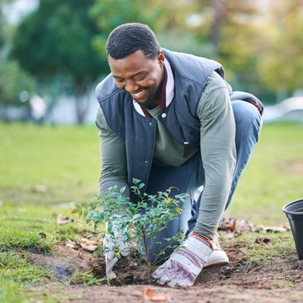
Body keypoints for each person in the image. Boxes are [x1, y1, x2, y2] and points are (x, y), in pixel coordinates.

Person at [95, 22, 263, 288]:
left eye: (139, 76)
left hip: (206, 154)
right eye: (120, 79)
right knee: (161, 251)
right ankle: (182, 233)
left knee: (244, 115)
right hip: (162, 172)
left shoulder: (204, 83)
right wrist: (118, 223)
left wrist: (202, 238)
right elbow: (113, 173)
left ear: (160, 58)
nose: (130, 87)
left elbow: (220, 163)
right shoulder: (109, 103)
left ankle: (203, 234)